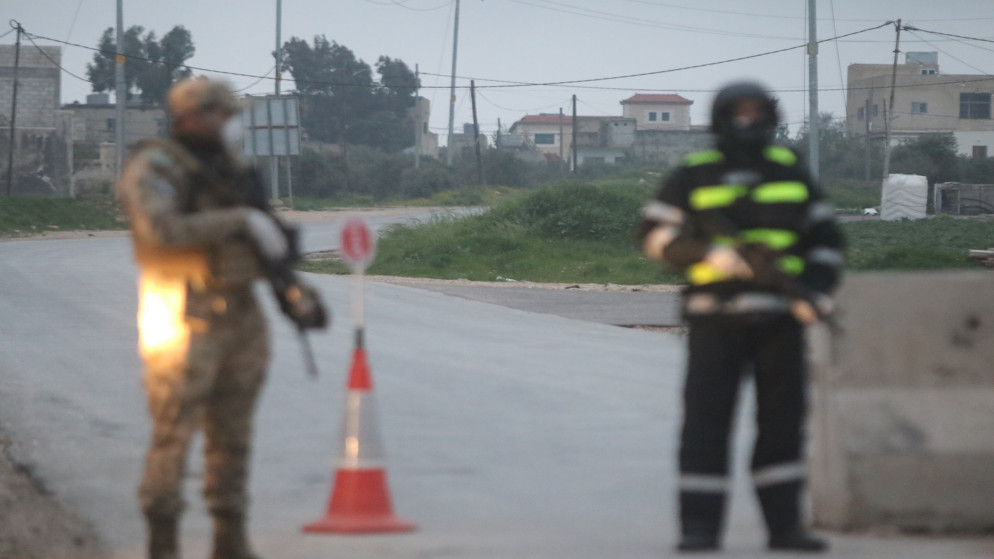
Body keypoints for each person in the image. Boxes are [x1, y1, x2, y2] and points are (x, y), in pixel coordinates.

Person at [117, 77, 328, 559]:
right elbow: (159, 230)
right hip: (183, 311)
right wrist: (239, 220)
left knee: (234, 436)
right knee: (174, 431)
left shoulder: (233, 170)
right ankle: (162, 544)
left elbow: (264, 246)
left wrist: (296, 293)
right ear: (193, 116)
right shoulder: (157, 165)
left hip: (242, 312)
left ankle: (230, 542)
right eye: (224, 115)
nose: (233, 125)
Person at [639, 81, 844, 553]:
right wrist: (710, 255)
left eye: (755, 113)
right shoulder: (695, 173)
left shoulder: (791, 171)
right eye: (739, 113)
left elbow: (827, 242)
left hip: (782, 318)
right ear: (721, 119)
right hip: (714, 318)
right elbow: (653, 235)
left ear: (770, 118)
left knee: (783, 425)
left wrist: (816, 291)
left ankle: (785, 527)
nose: (747, 122)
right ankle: (699, 528)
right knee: (706, 423)